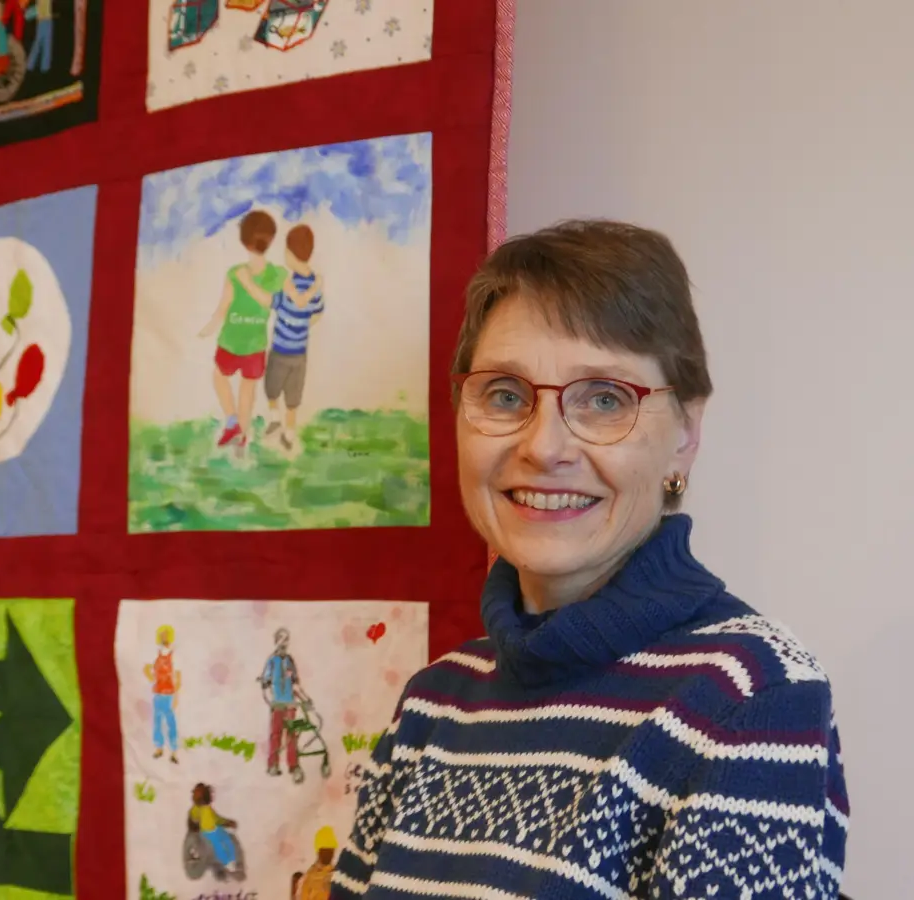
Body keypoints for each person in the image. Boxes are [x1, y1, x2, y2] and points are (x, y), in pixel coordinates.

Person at [331, 220, 849, 899]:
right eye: (506, 394)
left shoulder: (751, 695)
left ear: (686, 433)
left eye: (604, 399)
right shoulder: (433, 702)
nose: (544, 447)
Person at [198, 210, 284, 450]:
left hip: (232, 341)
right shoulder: (277, 274)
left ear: (244, 241)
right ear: (271, 239)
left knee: (220, 377)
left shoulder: (236, 273)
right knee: (247, 389)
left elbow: (224, 308)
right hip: (254, 344)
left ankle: (233, 423)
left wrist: (209, 327)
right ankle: (241, 434)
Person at [234, 223, 324, 452]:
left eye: (285, 250)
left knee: (273, 389)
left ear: (291, 254)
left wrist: (247, 283)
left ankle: (278, 422)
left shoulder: (288, 284)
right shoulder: (315, 285)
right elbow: (317, 312)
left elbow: (270, 301)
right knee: (292, 398)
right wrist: (303, 325)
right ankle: (287, 434)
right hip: (300, 353)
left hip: (281, 350)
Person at [258, 627, 304, 778]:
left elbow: (295, 681)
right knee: (275, 734)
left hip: (290, 702)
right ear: (276, 641)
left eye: (286, 639)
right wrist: (267, 693)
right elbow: (265, 681)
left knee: (291, 735)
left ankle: (293, 766)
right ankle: (273, 765)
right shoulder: (272, 661)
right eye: (281, 639)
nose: (284, 643)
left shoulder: (290, 661)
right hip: (277, 702)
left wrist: (304, 697)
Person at [143, 624, 181, 763]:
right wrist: (153, 679)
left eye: (166, 635)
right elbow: (146, 668)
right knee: (157, 721)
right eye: (162, 635)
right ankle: (159, 748)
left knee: (171, 722)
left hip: (169, 694)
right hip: (158, 693)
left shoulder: (175, 655)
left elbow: (178, 677)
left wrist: (176, 696)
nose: (164, 638)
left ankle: (174, 751)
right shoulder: (156, 653)